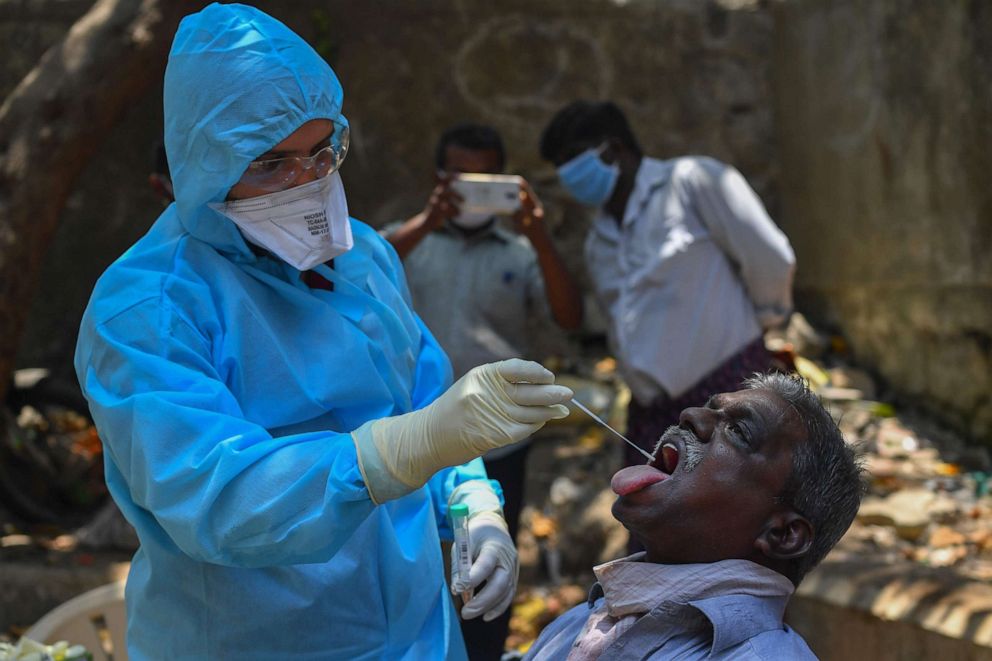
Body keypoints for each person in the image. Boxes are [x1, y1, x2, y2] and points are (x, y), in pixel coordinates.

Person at [72, 5, 574, 659]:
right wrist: (397, 451)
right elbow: (218, 495)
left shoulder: (363, 256)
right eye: (271, 164)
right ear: (203, 165)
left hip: (418, 635)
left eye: (320, 153)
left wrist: (472, 499)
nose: (307, 185)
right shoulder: (145, 310)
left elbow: (424, 395)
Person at [385, 123, 583, 660]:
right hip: (411, 437)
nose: (472, 189)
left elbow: (570, 316)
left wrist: (540, 236)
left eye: (484, 177)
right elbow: (354, 273)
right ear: (440, 178)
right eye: (460, 177)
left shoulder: (519, 252)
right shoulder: (408, 242)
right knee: (410, 560)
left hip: (499, 445)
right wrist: (429, 220)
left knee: (489, 568)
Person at [524, 373, 864, 660]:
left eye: (738, 433)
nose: (690, 415)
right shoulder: (578, 624)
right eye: (711, 409)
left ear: (782, 534)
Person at [540, 101, 796, 473]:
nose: (566, 176)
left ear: (613, 150)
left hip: (726, 392)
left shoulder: (694, 182)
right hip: (651, 416)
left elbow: (770, 259)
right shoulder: (598, 241)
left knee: (734, 517)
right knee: (657, 523)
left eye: (571, 160)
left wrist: (758, 328)